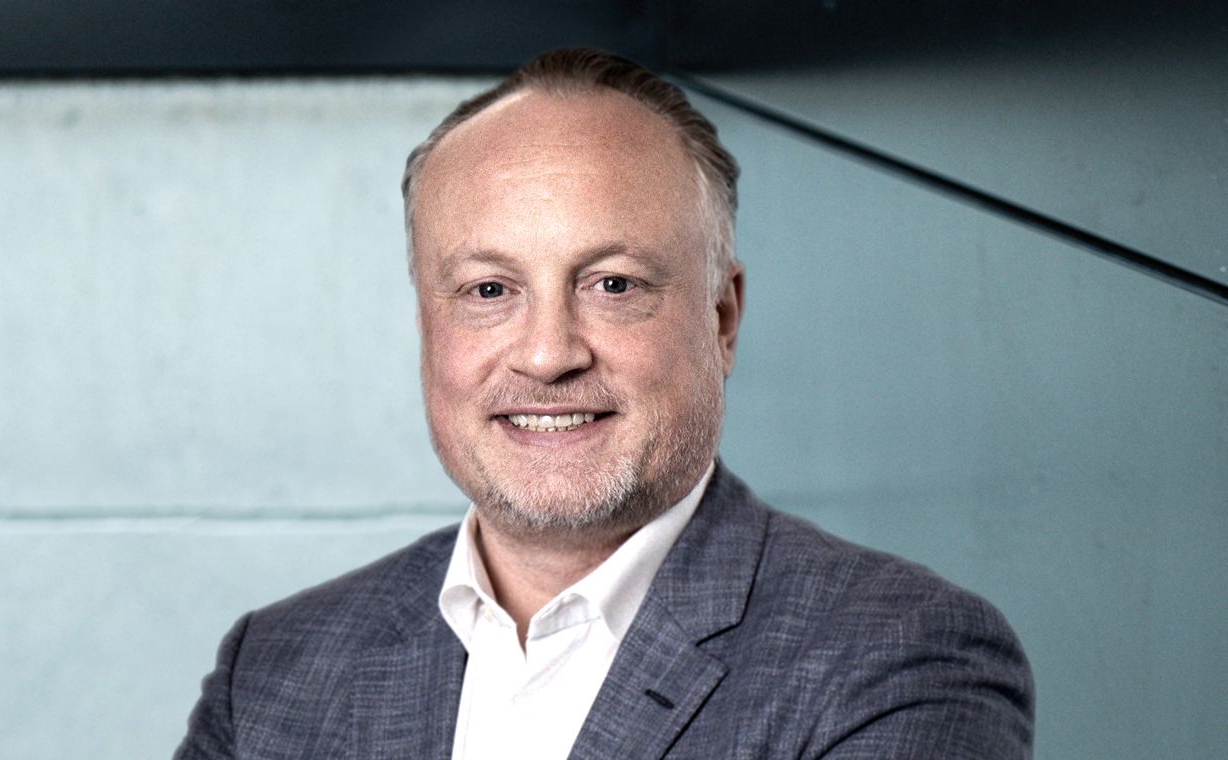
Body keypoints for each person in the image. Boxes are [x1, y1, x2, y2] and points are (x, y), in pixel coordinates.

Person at [175, 48, 1033, 759]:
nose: (549, 354)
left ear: (722, 318)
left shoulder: (903, 660)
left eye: (614, 284)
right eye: (487, 290)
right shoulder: (274, 673)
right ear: (426, 324)